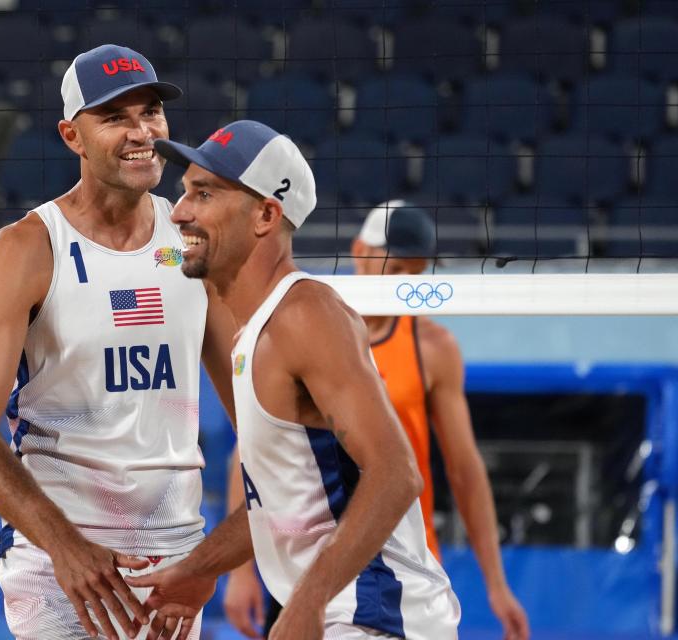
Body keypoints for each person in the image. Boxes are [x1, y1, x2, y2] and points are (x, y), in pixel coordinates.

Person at [125, 121, 461, 640]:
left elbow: (397, 474)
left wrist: (307, 602)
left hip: (377, 618)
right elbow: (277, 505)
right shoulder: (252, 332)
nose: (180, 210)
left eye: (204, 193)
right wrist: (198, 569)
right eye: (185, 191)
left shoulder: (306, 314)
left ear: (266, 215)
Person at [0, 44, 236, 640]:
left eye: (151, 112)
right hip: (60, 556)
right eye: (115, 118)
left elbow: (258, 413)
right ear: (72, 136)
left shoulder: (192, 240)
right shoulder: (25, 248)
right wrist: (66, 548)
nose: (141, 132)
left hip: (175, 554)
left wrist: (220, 559)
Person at [223, 200, 530, 640]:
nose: (407, 280)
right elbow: (252, 453)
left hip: (400, 569)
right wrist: (240, 572)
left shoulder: (433, 347)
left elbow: (465, 471)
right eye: (399, 266)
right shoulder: (303, 328)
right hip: (303, 562)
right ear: (359, 251)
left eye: (417, 270)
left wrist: (497, 586)